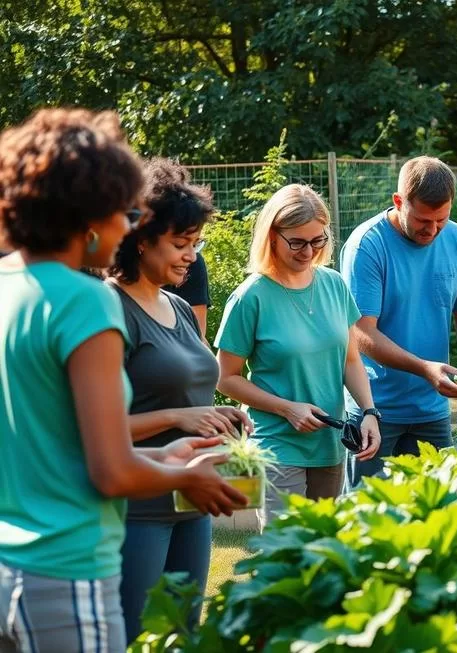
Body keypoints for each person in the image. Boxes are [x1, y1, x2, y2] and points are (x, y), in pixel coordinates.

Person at [0, 109, 245, 653]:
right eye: (125, 211)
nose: (128, 225)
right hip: (67, 566)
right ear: (89, 214)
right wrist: (185, 477)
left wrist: (170, 455)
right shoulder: (87, 301)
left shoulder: (7, 286)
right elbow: (109, 470)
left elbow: (59, 441)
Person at [107, 158, 252, 644]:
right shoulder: (108, 309)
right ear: (141, 238)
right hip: (139, 507)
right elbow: (90, 431)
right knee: (136, 636)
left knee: (184, 635)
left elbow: (193, 389)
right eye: (181, 243)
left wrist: (221, 417)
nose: (193, 256)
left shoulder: (177, 307)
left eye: (197, 243)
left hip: (193, 501)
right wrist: (178, 416)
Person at [215, 184, 381, 526]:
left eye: (317, 240)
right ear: (272, 236)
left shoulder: (334, 284)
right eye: (298, 242)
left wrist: (369, 412)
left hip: (330, 442)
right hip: (277, 442)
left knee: (324, 549)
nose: (309, 251)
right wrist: (287, 408)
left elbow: (350, 360)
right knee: (285, 548)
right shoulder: (250, 297)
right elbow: (225, 378)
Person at [340, 156, 457, 484]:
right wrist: (426, 369)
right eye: (424, 220)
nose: (433, 229)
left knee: (437, 514)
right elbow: (361, 332)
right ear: (399, 202)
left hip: (432, 410)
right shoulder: (367, 245)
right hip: (374, 409)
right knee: (368, 522)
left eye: (442, 219)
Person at [165, 255, 211, 339]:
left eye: (195, 245)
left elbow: (197, 336)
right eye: (180, 245)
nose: (192, 255)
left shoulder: (193, 262)